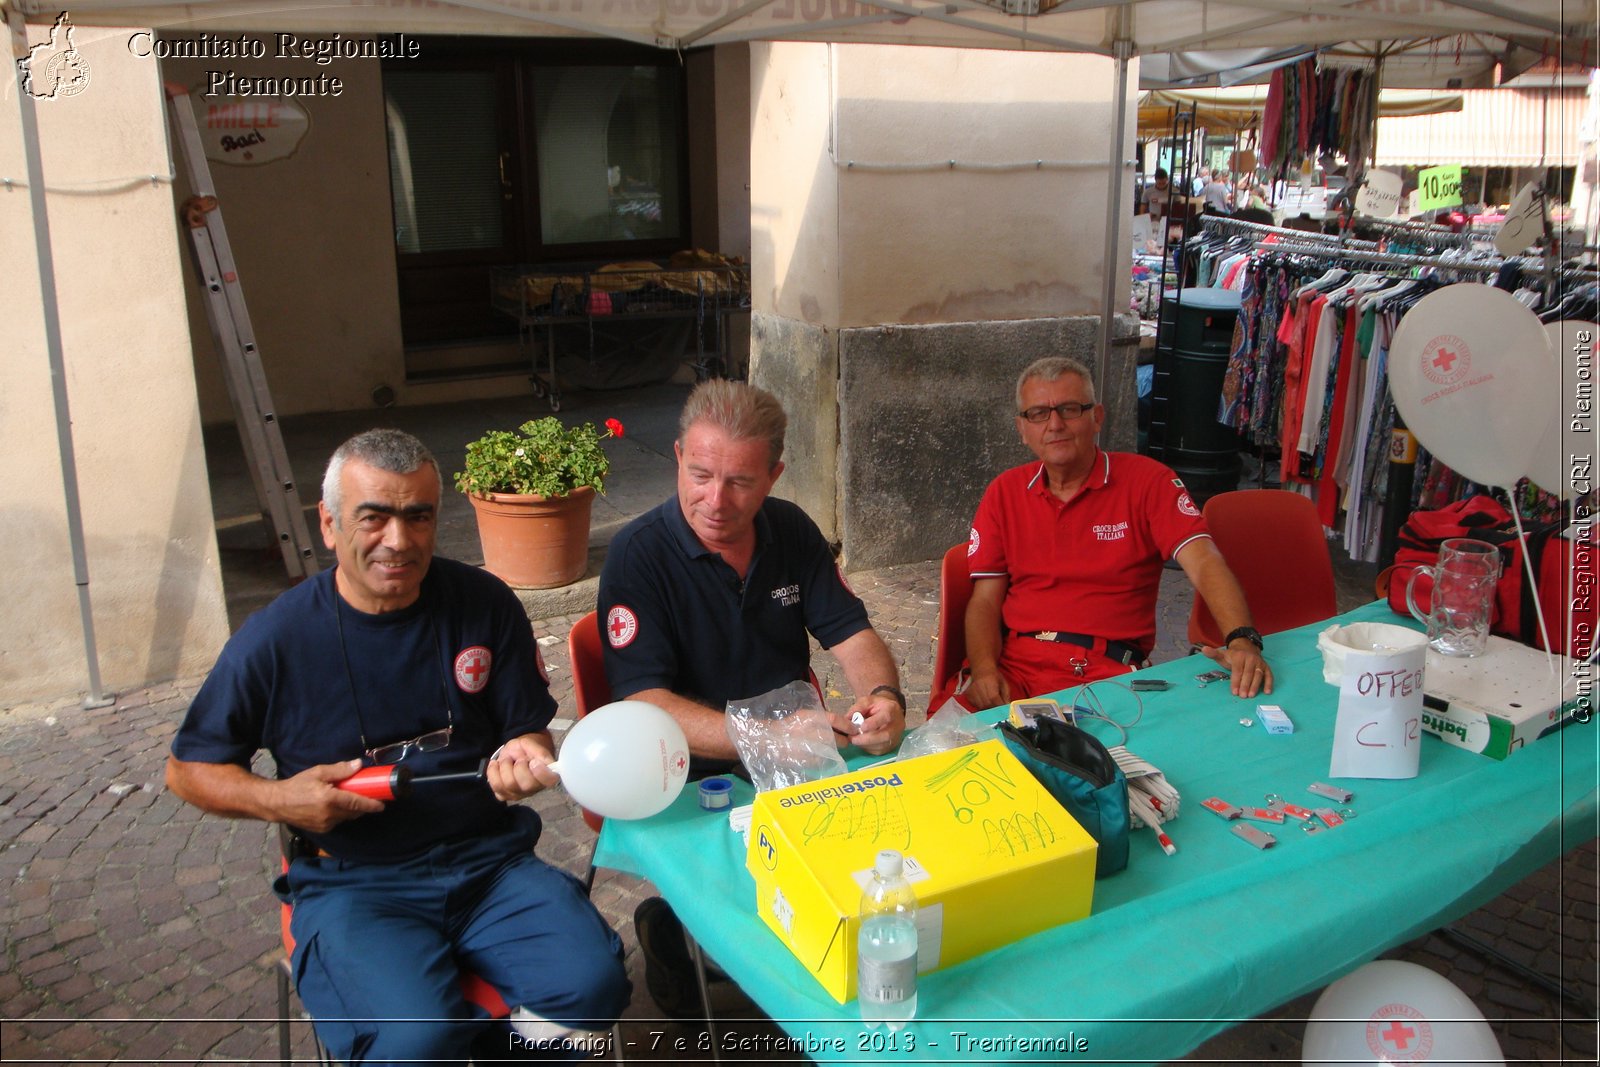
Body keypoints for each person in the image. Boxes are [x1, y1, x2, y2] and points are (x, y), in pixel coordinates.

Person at [166, 429, 629, 1063]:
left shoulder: (483, 603)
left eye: (418, 516)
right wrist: (280, 800)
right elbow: (188, 770)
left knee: (592, 985)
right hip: (356, 883)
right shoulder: (276, 640)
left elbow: (525, 725)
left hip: (487, 865)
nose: (399, 540)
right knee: (418, 1040)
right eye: (374, 517)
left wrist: (522, 752)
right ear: (328, 524)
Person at [597, 379, 906, 1015]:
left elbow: (852, 632)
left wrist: (884, 696)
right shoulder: (638, 553)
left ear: (775, 474)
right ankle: (679, 940)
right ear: (679, 456)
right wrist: (759, 736)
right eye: (701, 473)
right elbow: (645, 704)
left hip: (795, 754)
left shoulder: (789, 530)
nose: (715, 500)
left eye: (740, 481)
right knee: (773, 914)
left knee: (882, 862)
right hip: (684, 772)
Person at [953, 357, 1273, 712]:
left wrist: (1242, 638)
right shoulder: (1004, 492)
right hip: (1016, 671)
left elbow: (1204, 561)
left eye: (1070, 409)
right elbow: (984, 600)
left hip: (1109, 673)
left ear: (1097, 417)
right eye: (1039, 413)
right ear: (1022, 428)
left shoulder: (1149, 481)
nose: (1055, 424)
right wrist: (984, 670)